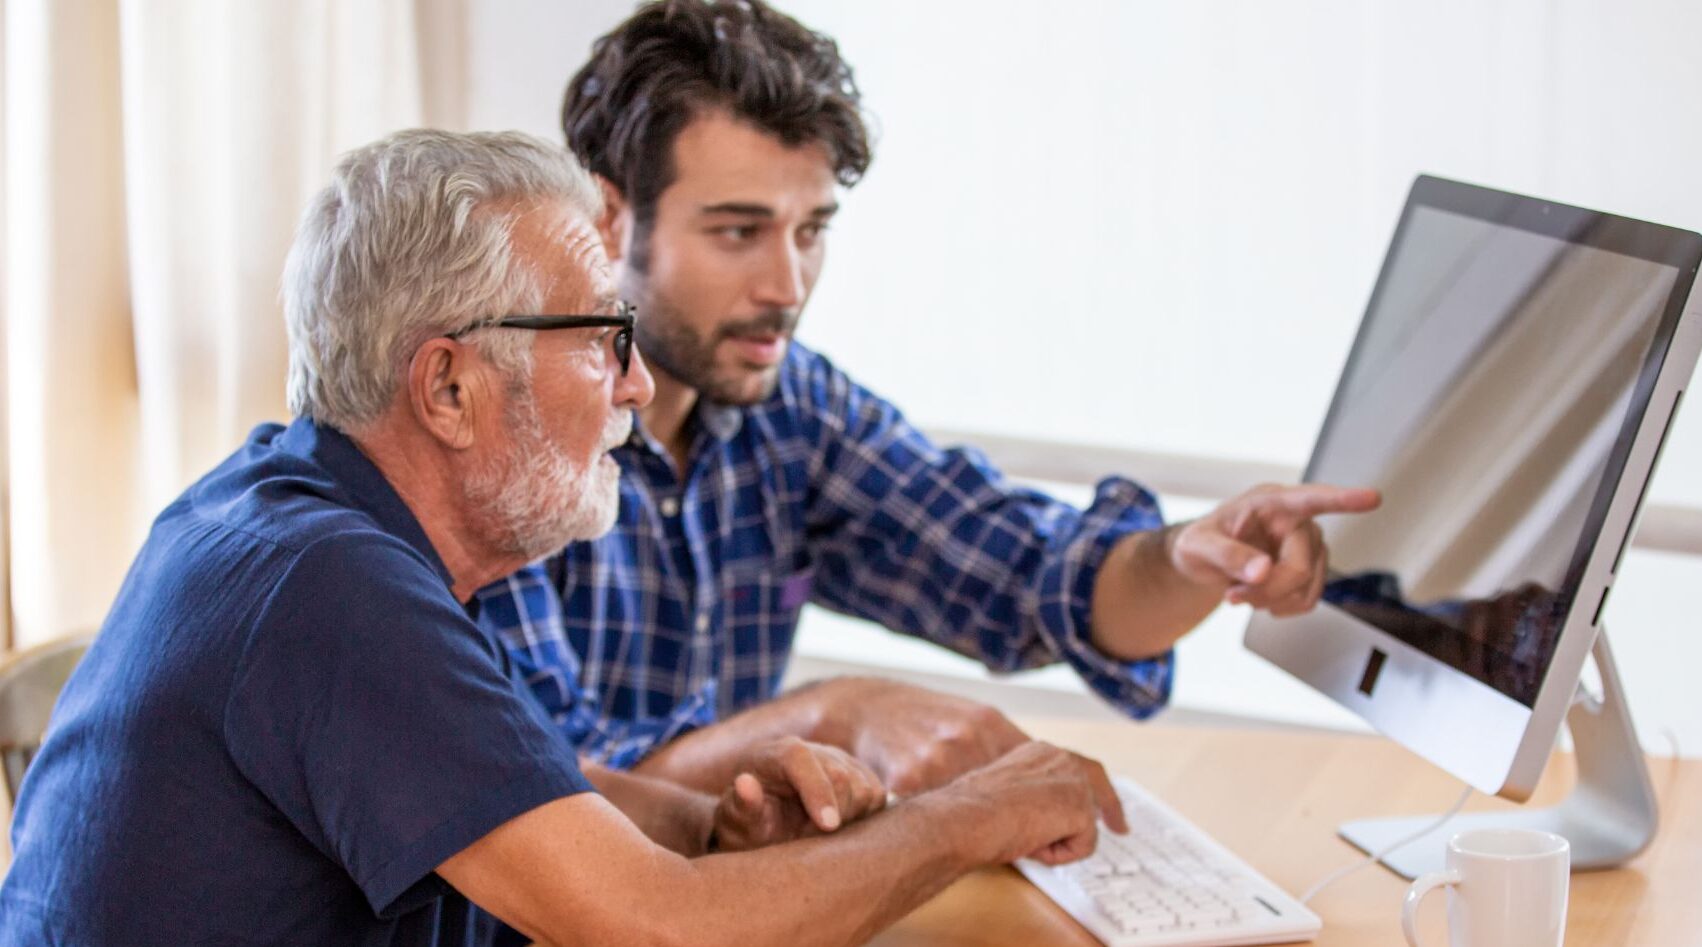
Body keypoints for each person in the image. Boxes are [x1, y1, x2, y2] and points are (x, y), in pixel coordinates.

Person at [0, 129, 1126, 947]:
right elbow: (656, 933)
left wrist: (701, 825)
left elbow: (490, 785)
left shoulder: (294, 513)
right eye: (601, 339)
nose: (639, 383)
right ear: (447, 384)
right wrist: (977, 814)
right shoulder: (329, 589)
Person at [476, 0, 1380, 798]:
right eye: (739, 231)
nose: (787, 284)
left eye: (812, 230)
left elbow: (1031, 578)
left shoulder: (792, 409)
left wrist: (1192, 554)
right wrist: (837, 715)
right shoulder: (505, 439)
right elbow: (551, 789)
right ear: (607, 216)